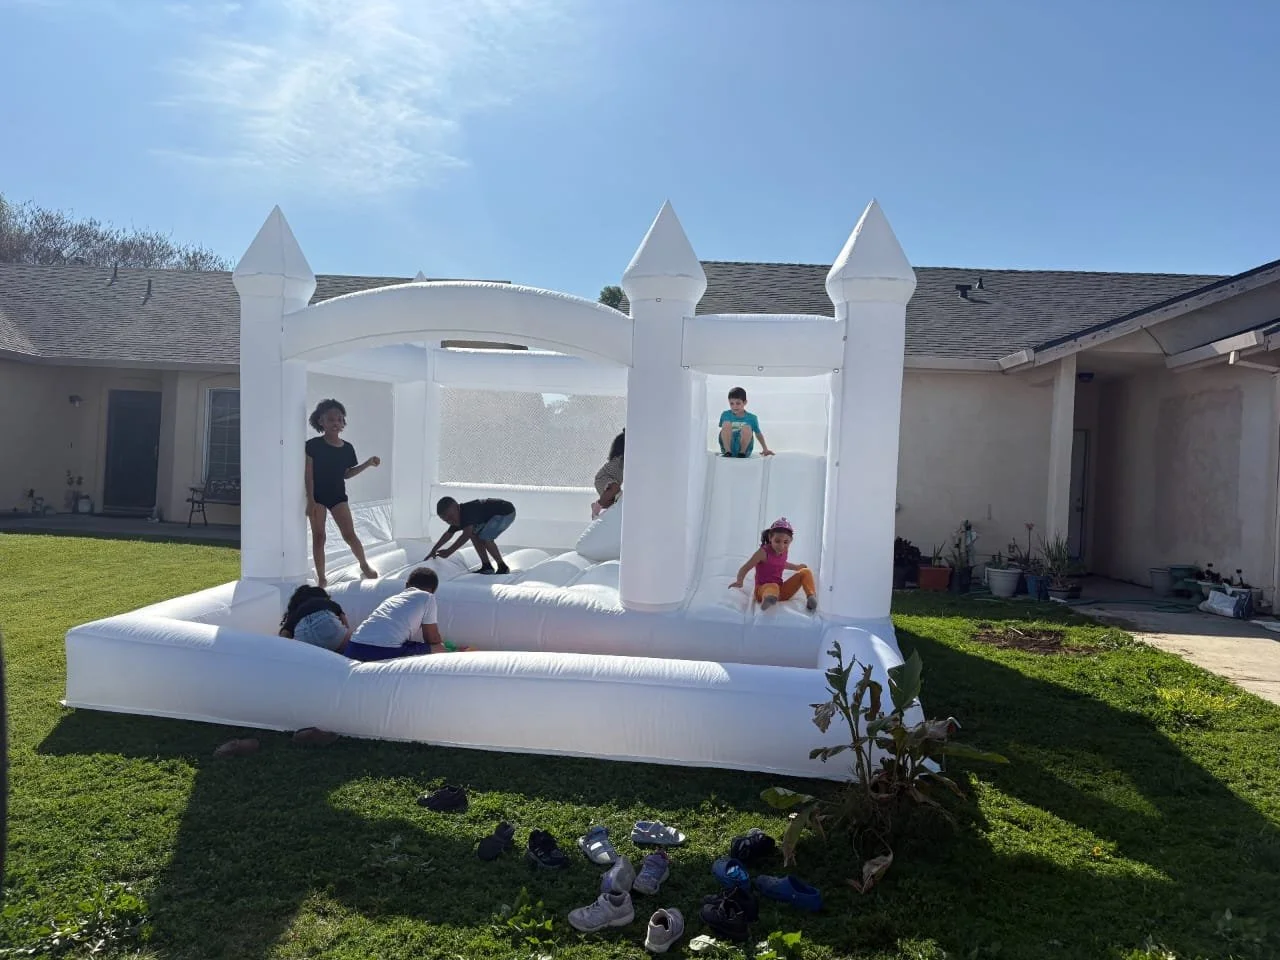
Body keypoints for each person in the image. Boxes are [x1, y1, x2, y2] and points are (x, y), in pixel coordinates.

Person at [305, 399, 381, 586]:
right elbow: (308, 475)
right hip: (318, 497)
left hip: (338, 496)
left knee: (349, 534)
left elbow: (347, 473)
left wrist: (368, 463)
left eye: (339, 420)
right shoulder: (313, 445)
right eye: (331, 419)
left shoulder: (347, 448)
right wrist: (311, 500)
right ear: (320, 421)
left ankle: (364, 564)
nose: (335, 423)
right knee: (319, 537)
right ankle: (322, 577)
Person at [345, 568, 446, 662]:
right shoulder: (428, 597)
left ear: (406, 585)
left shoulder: (392, 599)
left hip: (353, 646)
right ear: (433, 590)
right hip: (384, 650)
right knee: (439, 649)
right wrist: (445, 647)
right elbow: (432, 638)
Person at [729, 517, 817, 611]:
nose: (781, 546)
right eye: (777, 541)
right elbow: (746, 567)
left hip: (780, 591)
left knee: (805, 571)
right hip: (762, 590)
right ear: (770, 538)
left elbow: (781, 563)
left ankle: (811, 597)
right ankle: (767, 599)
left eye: (785, 542)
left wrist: (796, 567)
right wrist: (739, 581)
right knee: (773, 586)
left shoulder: (784, 551)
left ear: (791, 540)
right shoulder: (763, 552)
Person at [427, 497, 517, 575]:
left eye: (451, 517)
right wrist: (433, 550)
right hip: (491, 515)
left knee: (485, 537)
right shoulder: (457, 518)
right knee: (474, 535)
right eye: (446, 520)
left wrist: (449, 551)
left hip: (505, 512)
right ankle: (487, 566)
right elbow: (448, 534)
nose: (451, 521)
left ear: (457, 507)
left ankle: (502, 567)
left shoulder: (467, 512)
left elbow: (465, 535)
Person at [278, 584, 351, 652]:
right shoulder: (326, 602)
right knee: (349, 643)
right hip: (326, 621)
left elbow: (285, 633)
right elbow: (345, 623)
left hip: (303, 633)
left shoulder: (296, 612)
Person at [718, 386, 773, 458]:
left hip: (745, 448)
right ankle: (728, 451)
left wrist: (765, 449)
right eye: (732, 403)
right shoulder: (725, 414)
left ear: (745, 402)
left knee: (746, 427)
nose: (734, 406)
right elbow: (724, 430)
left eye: (738, 403)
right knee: (726, 423)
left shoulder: (752, 418)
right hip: (728, 446)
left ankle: (742, 452)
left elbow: (758, 434)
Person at [591, 430, 625, 518]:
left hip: (611, 483)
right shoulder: (620, 459)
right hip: (603, 478)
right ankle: (597, 506)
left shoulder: (622, 460)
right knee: (615, 489)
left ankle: (598, 506)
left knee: (614, 501)